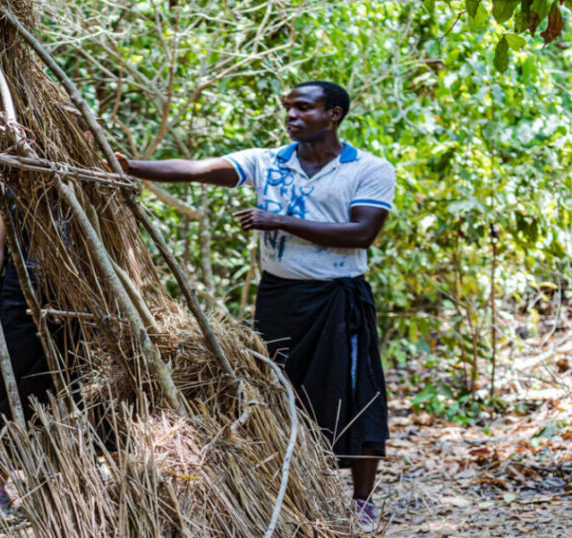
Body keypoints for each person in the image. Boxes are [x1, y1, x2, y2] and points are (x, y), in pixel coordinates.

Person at [115, 81, 393, 531]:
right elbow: (199, 169)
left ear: (335, 114)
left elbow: (361, 233)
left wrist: (276, 219)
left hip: (339, 299)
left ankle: (362, 502)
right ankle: (293, 490)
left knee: (355, 392)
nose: (292, 116)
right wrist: (133, 168)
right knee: (277, 394)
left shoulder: (368, 168)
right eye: (289, 109)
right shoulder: (268, 161)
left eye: (304, 108)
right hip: (280, 297)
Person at [0, 187, 82, 521]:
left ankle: (68, 481)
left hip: (78, 302)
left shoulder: (83, 177)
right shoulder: (6, 186)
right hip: (20, 297)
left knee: (75, 388)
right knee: (12, 386)